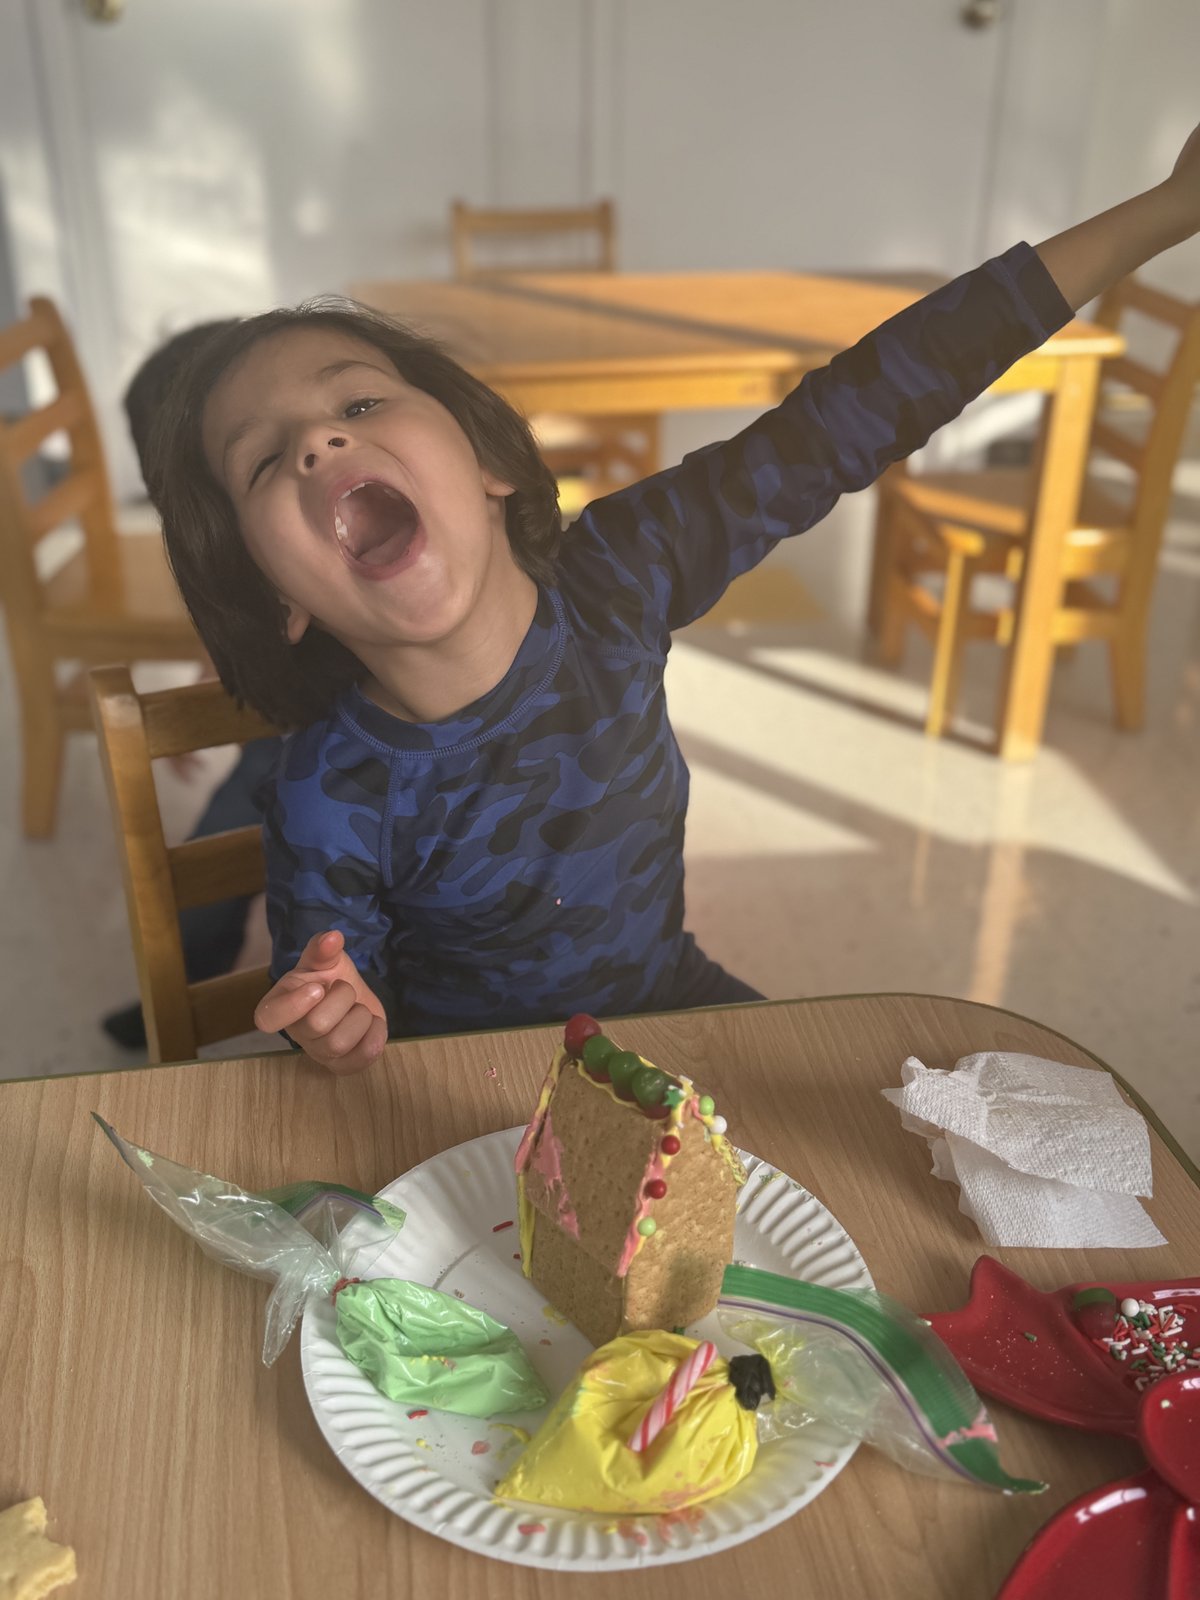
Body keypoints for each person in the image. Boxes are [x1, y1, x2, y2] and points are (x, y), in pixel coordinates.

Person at [149, 125, 1200, 1075]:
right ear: (275, 594)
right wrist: (332, 1021)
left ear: (488, 466)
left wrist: (1167, 205)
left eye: (359, 401)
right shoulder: (323, 787)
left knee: (878, 1129)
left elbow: (874, 396)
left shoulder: (620, 574)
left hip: (674, 1011)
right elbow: (334, 995)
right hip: (471, 1090)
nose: (319, 442)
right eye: (263, 463)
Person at [101, 322, 285, 1050]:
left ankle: (188, 994)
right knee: (206, 878)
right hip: (274, 715)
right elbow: (224, 611)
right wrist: (208, 678)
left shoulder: (281, 516)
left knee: (220, 860)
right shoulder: (215, 530)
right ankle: (182, 996)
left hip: (317, 732)